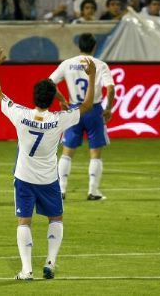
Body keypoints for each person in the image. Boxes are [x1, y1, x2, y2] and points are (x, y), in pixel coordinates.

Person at [0, 47, 97, 280]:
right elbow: (87, 106)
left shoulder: (21, 114)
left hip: (24, 177)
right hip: (48, 179)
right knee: (55, 219)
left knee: (23, 221)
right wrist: (92, 75)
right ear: (52, 100)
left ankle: (26, 270)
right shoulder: (59, 119)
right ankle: (50, 262)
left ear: (33, 97)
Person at [50, 33, 115, 200]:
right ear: (94, 47)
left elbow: (49, 83)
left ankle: (61, 190)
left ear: (79, 47)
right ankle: (93, 191)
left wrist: (62, 99)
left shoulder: (68, 64)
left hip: (74, 110)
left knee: (67, 152)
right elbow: (111, 89)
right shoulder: (100, 65)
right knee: (95, 153)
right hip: (94, 110)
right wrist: (108, 108)